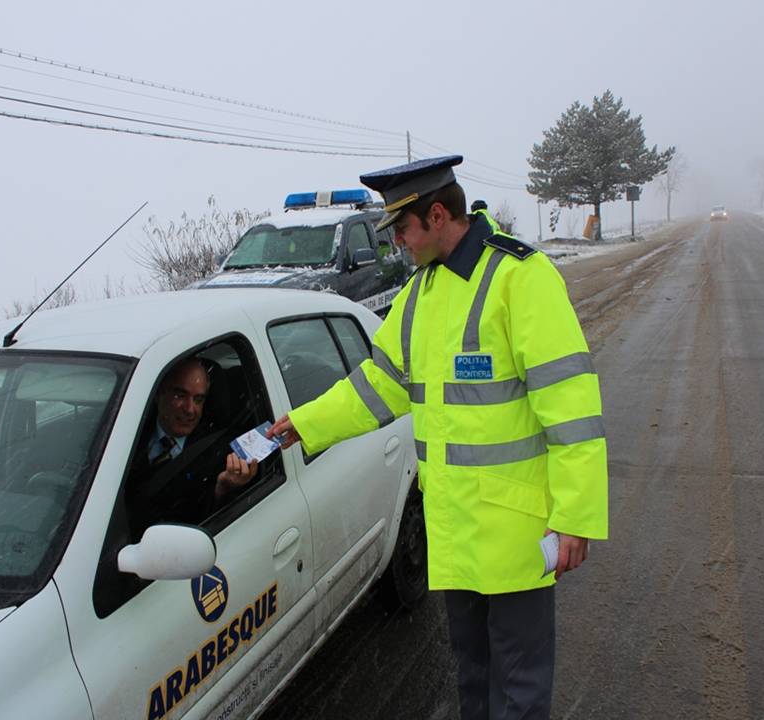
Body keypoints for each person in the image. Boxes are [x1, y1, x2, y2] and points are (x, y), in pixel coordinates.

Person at [268, 155, 607, 719]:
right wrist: (304, 424)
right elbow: (378, 386)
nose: (396, 242)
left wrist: (575, 516)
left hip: (518, 534)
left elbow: (571, 407)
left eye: (401, 229)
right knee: (473, 677)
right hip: (453, 531)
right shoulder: (421, 293)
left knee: (520, 687)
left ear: (439, 214)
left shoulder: (520, 277)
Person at [131, 357, 257, 531]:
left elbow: (203, 520)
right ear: (158, 394)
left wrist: (222, 489)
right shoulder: (130, 431)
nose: (190, 409)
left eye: (198, 399)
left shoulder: (220, 453)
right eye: (180, 395)